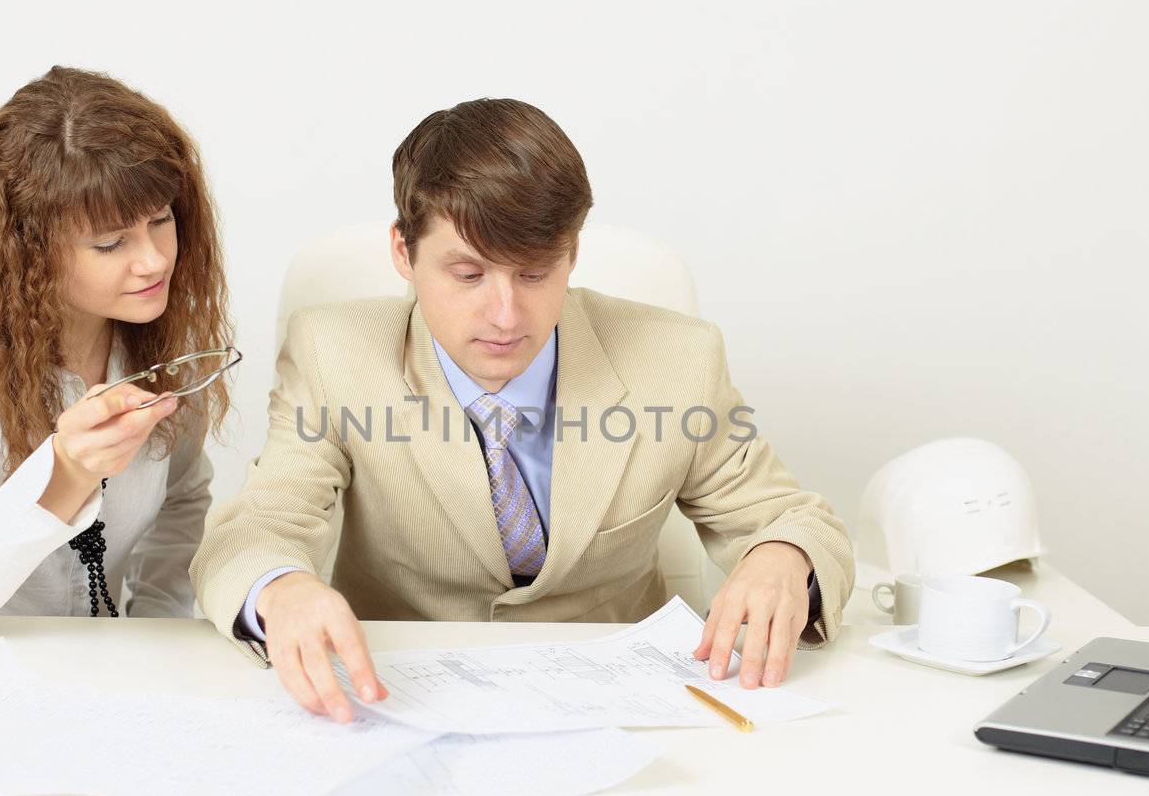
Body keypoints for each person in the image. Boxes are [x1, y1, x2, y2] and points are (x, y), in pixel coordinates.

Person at [191, 98, 852, 722]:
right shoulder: (332, 354)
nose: (505, 316)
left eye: (535, 272)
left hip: (623, 708)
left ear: (572, 254)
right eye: (469, 274)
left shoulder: (677, 359)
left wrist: (783, 555)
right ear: (404, 253)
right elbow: (258, 524)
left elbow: (793, 517)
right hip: (400, 702)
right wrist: (281, 588)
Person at [0, 66, 232, 640]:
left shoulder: (159, 324)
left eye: (162, 220)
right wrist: (67, 474)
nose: (154, 261)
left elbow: (181, 500)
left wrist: (155, 634)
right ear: (28, 251)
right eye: (110, 243)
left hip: (86, 663)